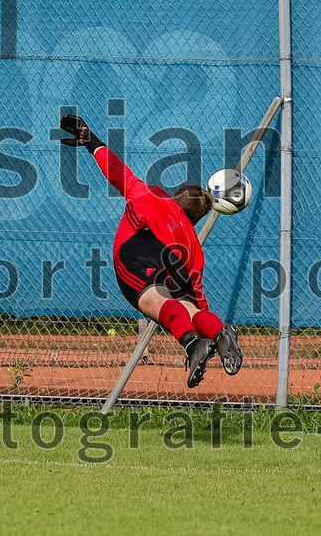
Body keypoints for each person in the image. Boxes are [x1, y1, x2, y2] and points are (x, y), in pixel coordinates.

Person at [59, 114, 243, 388]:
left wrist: (92, 141)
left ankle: (193, 346)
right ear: (194, 220)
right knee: (188, 307)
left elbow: (117, 171)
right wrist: (210, 325)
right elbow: (197, 293)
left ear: (176, 195)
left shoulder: (151, 195)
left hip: (136, 255)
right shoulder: (192, 241)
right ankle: (219, 332)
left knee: (155, 303)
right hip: (175, 261)